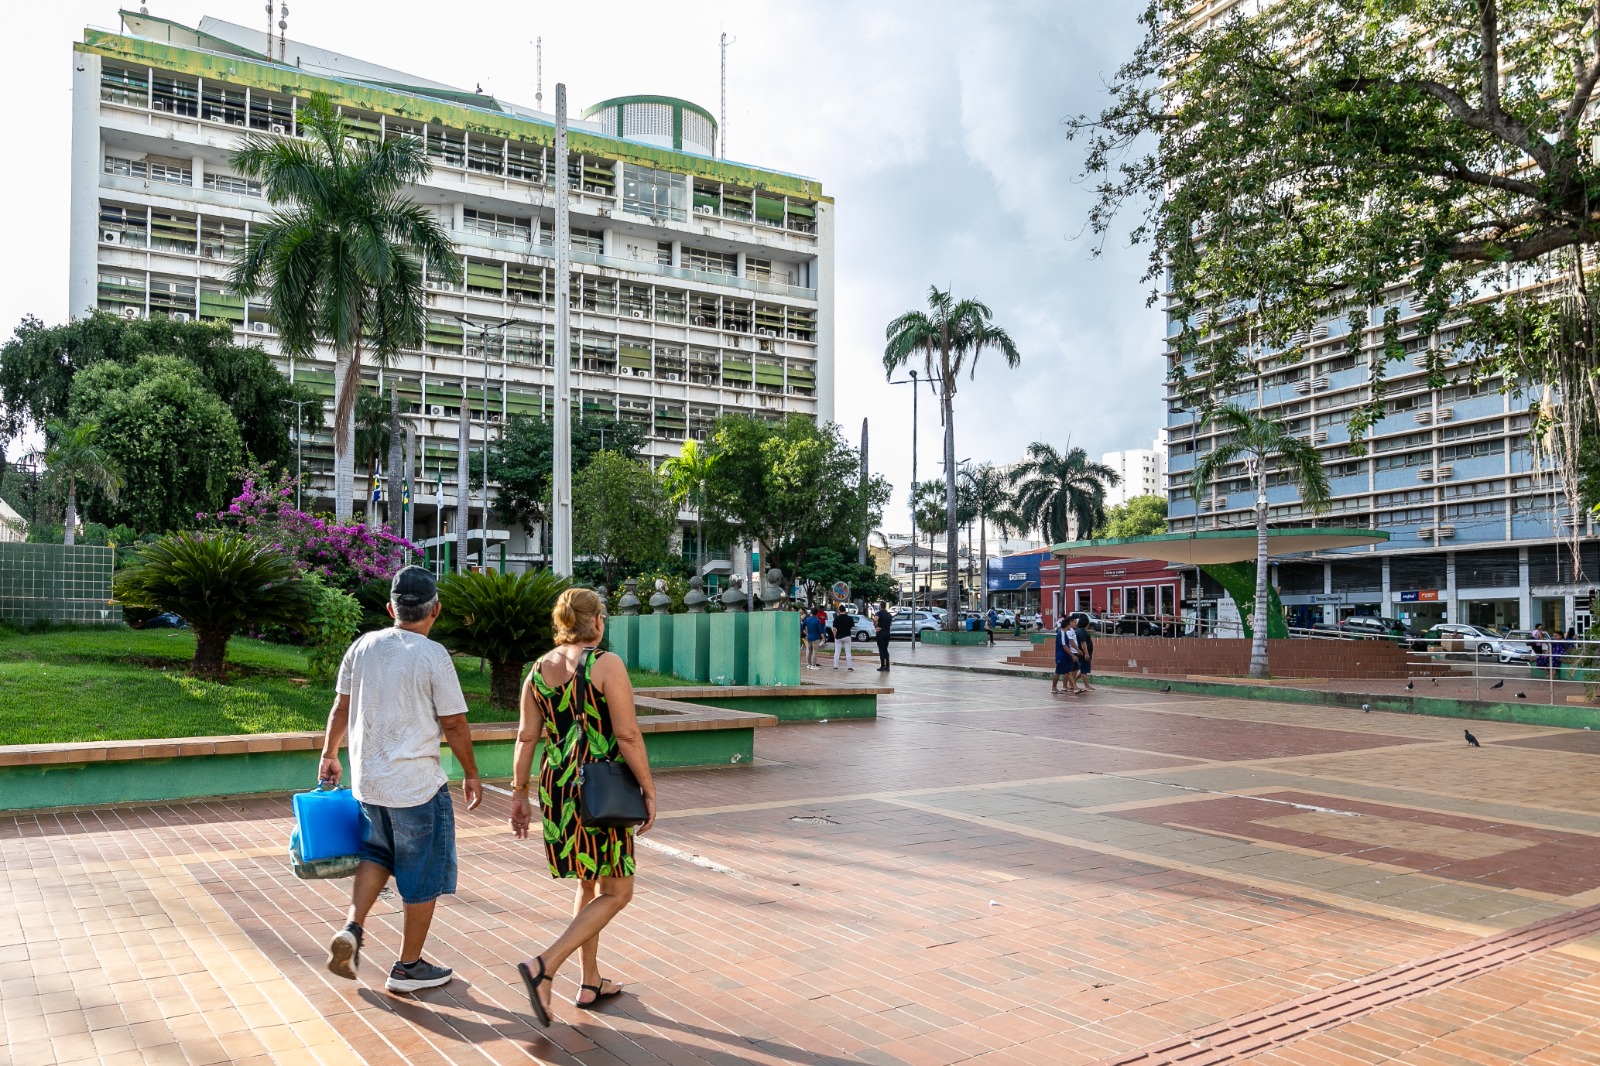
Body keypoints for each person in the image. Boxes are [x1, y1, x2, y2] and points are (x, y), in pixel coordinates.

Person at [320, 565, 482, 993]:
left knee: (376, 856)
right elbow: (455, 723)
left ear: (391, 607)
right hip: (416, 788)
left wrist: (328, 753)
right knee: (422, 872)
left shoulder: (363, 646)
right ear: (436, 611)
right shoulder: (433, 655)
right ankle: (408, 966)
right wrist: (470, 772)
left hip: (368, 784)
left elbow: (340, 707)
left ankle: (353, 928)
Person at [510, 588, 657, 1027]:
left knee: (589, 882)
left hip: (557, 785)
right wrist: (648, 789)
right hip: (599, 788)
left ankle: (590, 979)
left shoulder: (538, 670)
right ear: (596, 622)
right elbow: (628, 736)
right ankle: (544, 966)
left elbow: (525, 737)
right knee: (619, 891)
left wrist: (519, 793)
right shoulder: (606, 664)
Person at [1052, 618, 1080, 696]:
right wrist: (1072, 655)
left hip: (1064, 656)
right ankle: (1054, 688)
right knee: (1058, 672)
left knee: (1069, 671)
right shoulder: (1062, 633)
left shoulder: (1064, 633)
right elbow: (1064, 646)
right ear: (1067, 626)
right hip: (1061, 656)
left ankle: (1075, 688)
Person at [1074, 615, 1095, 693]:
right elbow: (1083, 643)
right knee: (1084, 670)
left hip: (1085, 653)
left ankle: (1072, 682)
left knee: (1083, 669)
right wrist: (1086, 653)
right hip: (1084, 654)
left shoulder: (1080, 630)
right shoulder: (1081, 631)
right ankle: (1087, 686)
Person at [832, 605, 855, 670]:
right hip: (847, 636)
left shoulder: (836, 618)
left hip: (838, 637)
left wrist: (834, 636)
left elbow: (834, 629)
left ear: (839, 610)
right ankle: (849, 667)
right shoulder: (849, 618)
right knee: (848, 652)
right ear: (845, 610)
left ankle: (835, 667)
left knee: (837, 652)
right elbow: (853, 627)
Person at [874, 601, 894, 671]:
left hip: (880, 633)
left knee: (881, 650)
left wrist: (875, 626)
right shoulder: (889, 614)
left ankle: (882, 665)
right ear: (885, 606)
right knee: (885, 649)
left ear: (880, 606)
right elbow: (891, 624)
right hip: (887, 633)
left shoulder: (879, 613)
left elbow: (875, 619)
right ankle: (887, 666)